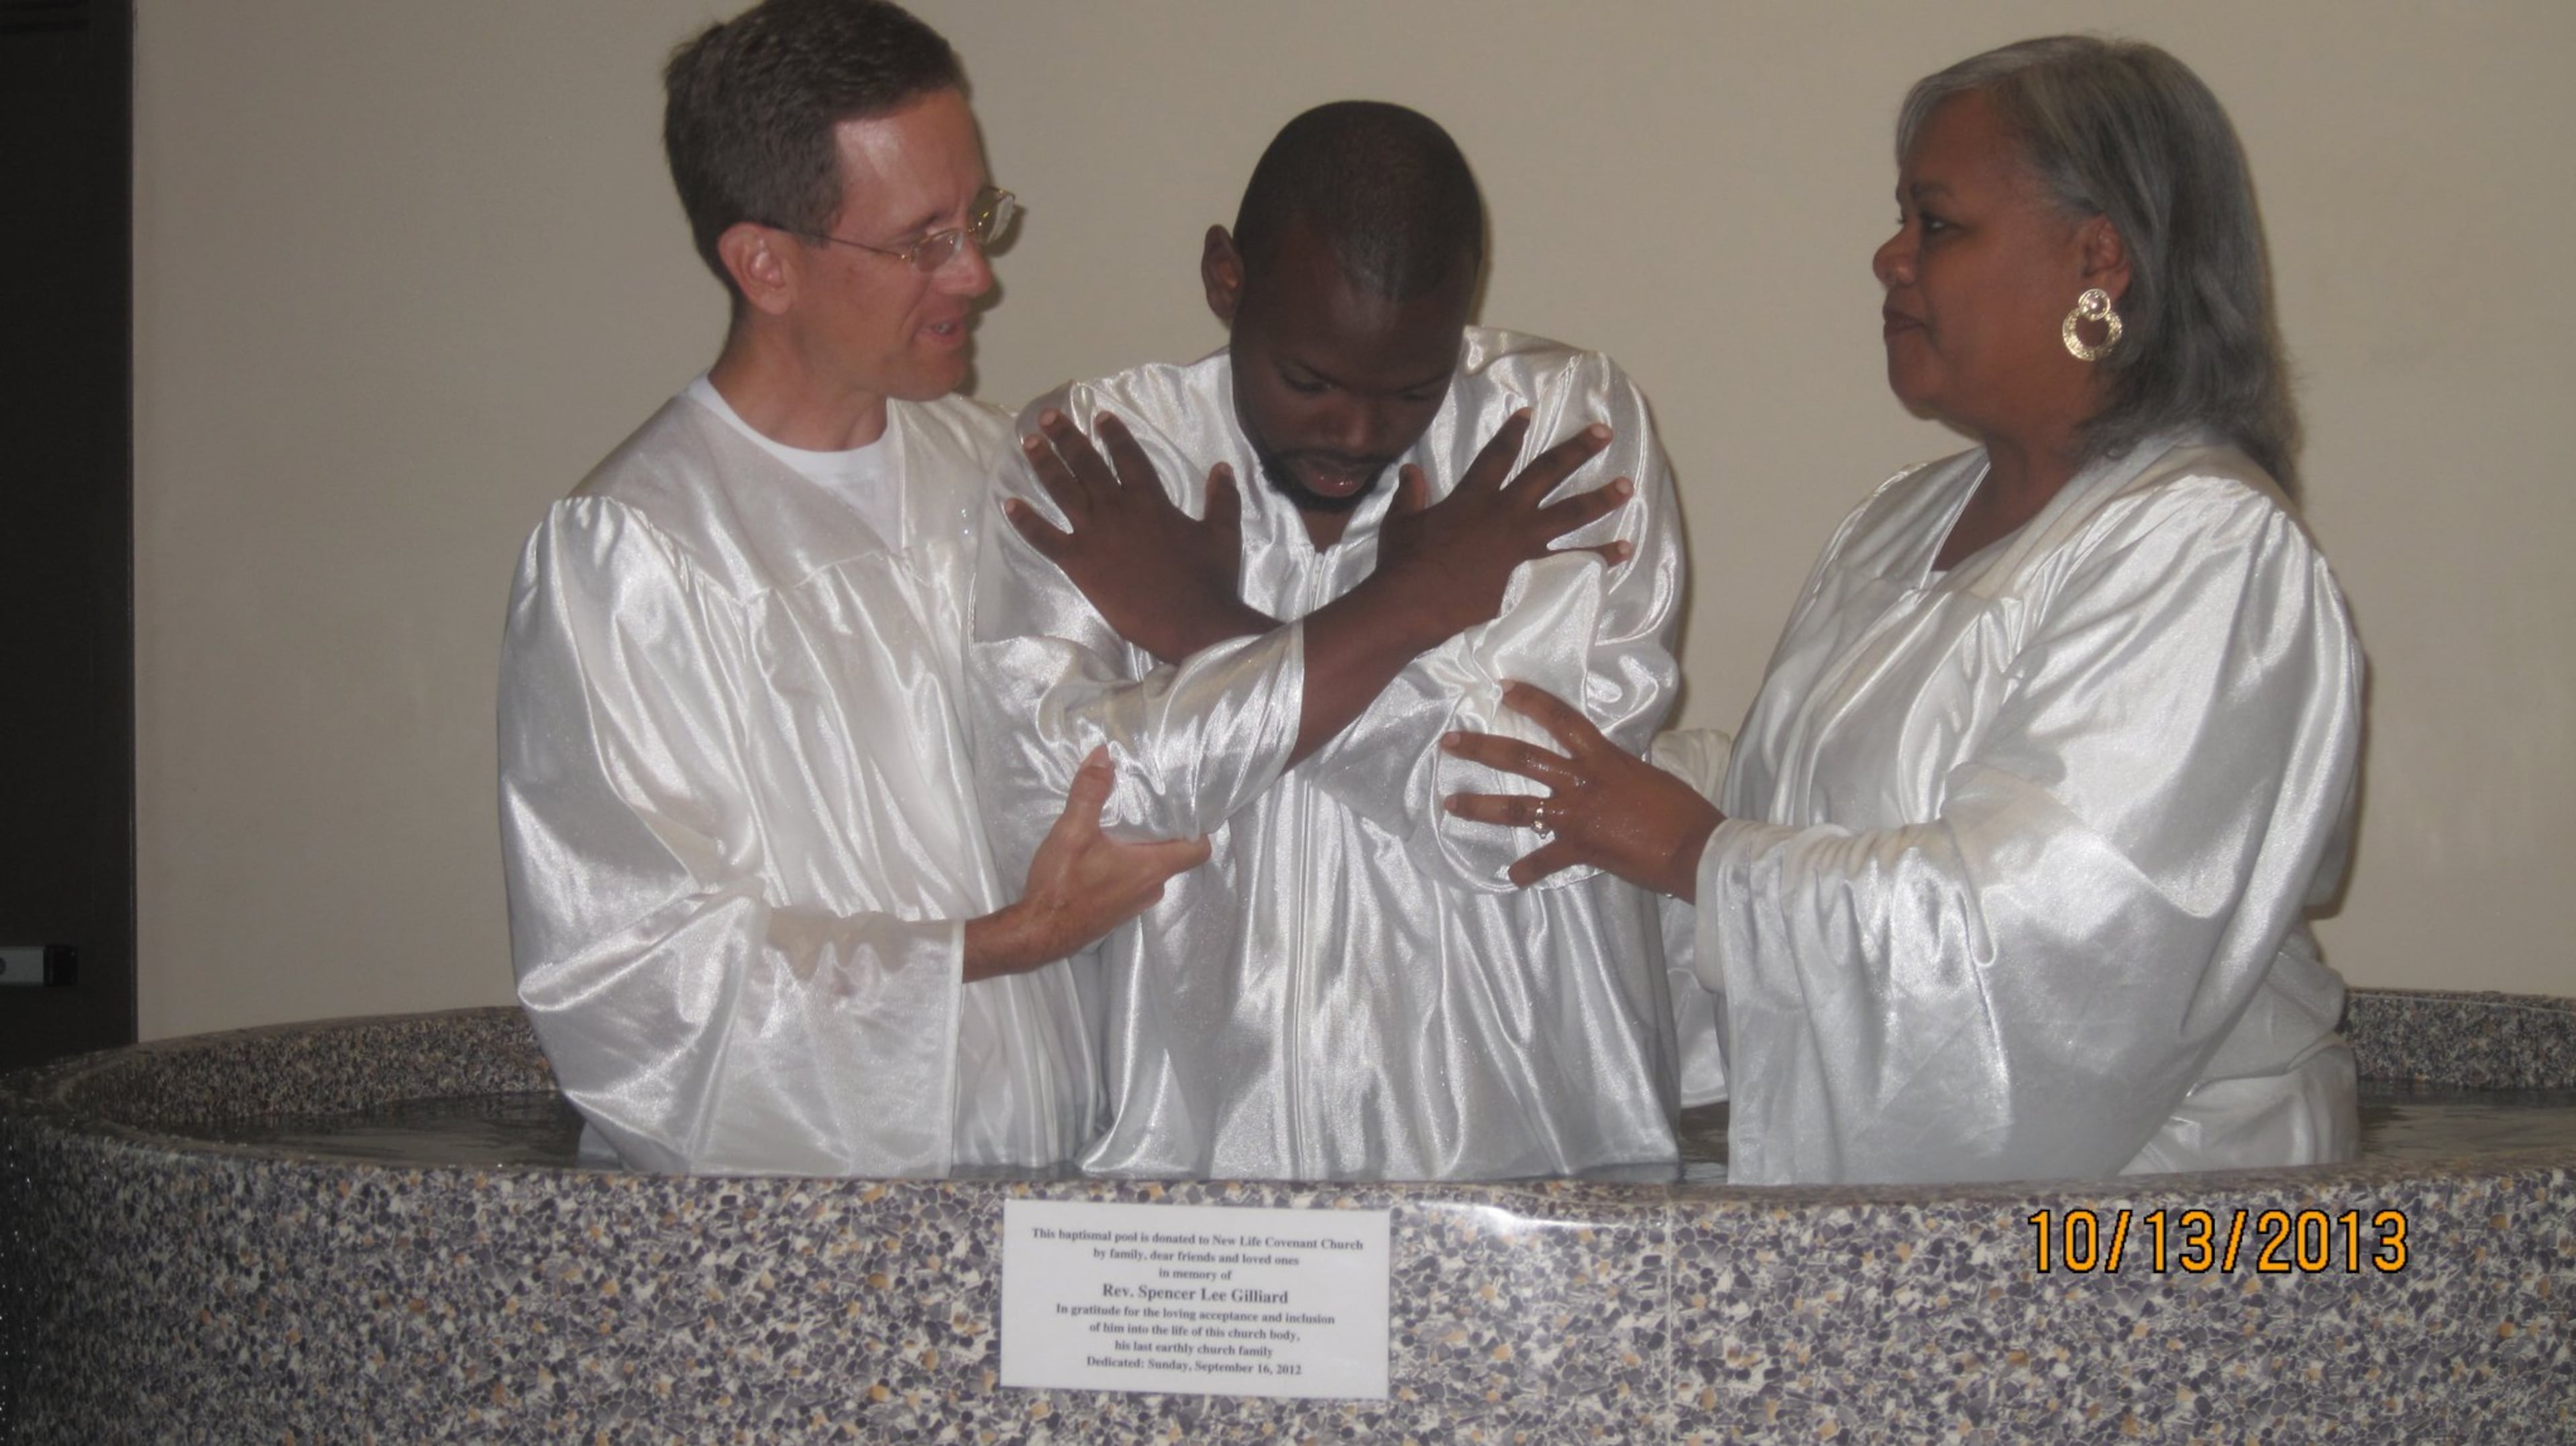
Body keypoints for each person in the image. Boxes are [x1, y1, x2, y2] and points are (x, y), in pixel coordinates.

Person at [1445, 36, 2364, 1185]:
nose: (1889, 257)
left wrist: (1688, 851)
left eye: (1938, 223)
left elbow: (2039, 946)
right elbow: (1802, 805)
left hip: (2153, 1241)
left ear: (2099, 257)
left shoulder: (2208, 551)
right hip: (1916, 1234)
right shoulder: (1902, 521)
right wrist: (1554, 772)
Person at [496, 0, 1207, 1176]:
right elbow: (639, 987)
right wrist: (1005, 943)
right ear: (764, 263)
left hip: (1061, 1180)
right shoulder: (637, 555)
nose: (977, 274)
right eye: (922, 239)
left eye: (976, 216)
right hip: (813, 1227)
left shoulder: (1000, 474)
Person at [971, 102, 1695, 1182]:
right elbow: (1064, 819)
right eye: (1307, 381)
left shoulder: (1553, 432)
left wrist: (1207, 632)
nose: (1356, 435)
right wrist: (1406, 612)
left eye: (1412, 389)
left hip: (1524, 1141)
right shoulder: (1100, 457)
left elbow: (1527, 813)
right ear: (1226, 278)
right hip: (1185, 1153)